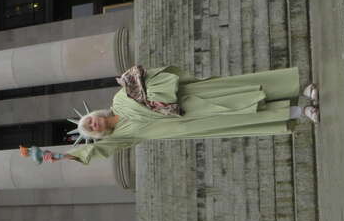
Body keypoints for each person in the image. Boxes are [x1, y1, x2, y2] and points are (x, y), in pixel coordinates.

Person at [42, 65, 318, 165]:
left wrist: (160, 95)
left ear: (94, 114)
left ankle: (303, 90)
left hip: (187, 99)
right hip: (190, 121)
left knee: (240, 91)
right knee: (244, 114)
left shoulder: (119, 99)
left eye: (89, 120)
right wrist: (65, 156)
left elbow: (143, 78)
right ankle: (302, 111)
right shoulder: (119, 137)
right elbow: (95, 152)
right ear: (98, 133)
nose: (92, 124)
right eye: (91, 128)